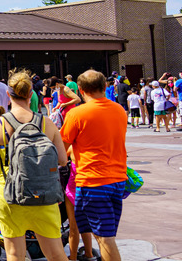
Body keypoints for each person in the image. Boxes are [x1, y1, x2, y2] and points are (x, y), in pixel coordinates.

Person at [0, 71, 68, 261]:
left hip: (9, 194)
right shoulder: (47, 123)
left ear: (8, 95)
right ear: (31, 94)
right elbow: (62, 160)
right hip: (44, 195)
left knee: (14, 253)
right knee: (55, 253)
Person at [61, 70, 127, 261]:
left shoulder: (76, 114)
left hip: (93, 181)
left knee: (104, 239)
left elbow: (61, 151)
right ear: (105, 87)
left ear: (80, 90)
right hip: (117, 180)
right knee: (104, 235)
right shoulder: (118, 110)